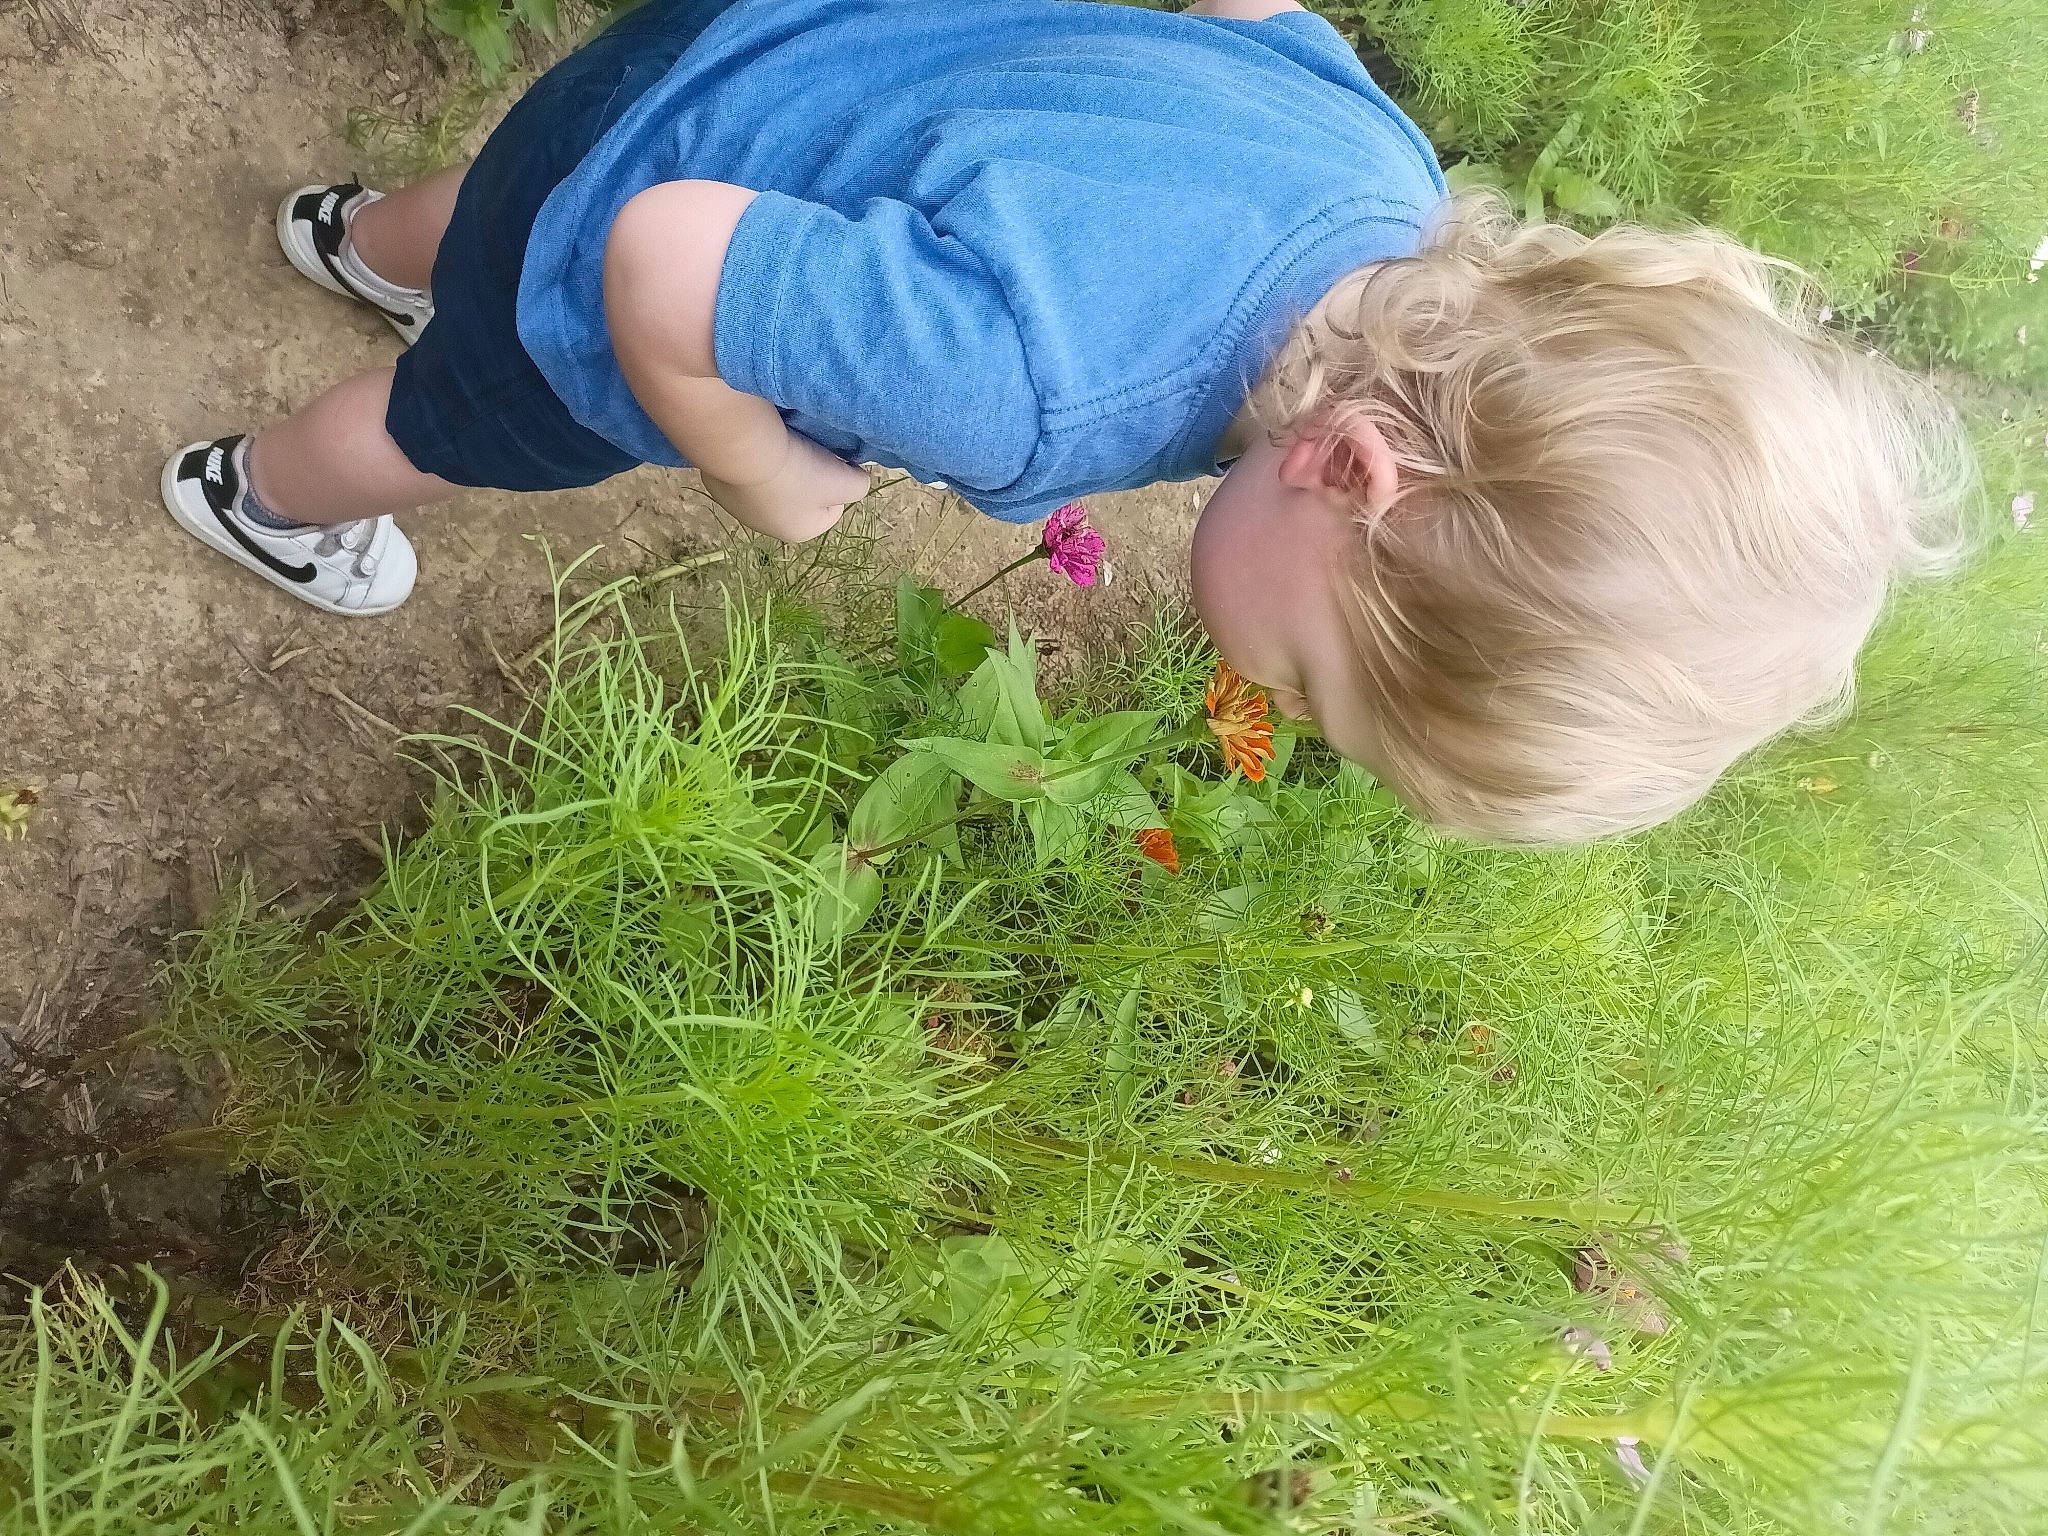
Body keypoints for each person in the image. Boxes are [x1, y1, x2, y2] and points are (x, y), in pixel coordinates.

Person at [161, 0, 1967, 842]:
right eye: (1324, 694)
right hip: (637, 227)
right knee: (455, 407)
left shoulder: (1387, 180)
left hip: (744, 57)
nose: (1276, 712)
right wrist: (763, 469)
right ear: (1351, 474)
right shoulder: (1040, 386)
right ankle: (263, 491)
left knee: (498, 196)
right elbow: (667, 256)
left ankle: (362, 238)